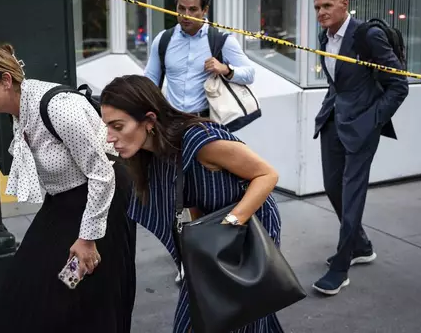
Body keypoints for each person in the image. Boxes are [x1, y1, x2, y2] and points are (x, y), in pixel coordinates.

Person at [0, 42, 136, 332]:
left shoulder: (59, 107)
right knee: (28, 284)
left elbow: (103, 174)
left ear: (5, 80)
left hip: (101, 201)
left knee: (80, 289)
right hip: (63, 203)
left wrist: (88, 239)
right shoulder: (21, 109)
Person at [100, 74, 284, 333]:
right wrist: (200, 241)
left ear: (149, 120)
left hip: (249, 226)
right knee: (208, 314)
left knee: (237, 316)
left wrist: (229, 225)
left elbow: (267, 175)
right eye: (106, 126)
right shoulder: (153, 156)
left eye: (117, 126)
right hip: (215, 233)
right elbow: (195, 196)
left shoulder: (200, 140)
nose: (109, 137)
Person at [311, 0, 409, 295]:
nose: (322, 12)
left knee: (352, 194)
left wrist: (372, 121)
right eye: (317, 8)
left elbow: (399, 85)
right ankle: (362, 246)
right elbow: (336, 81)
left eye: (328, 6)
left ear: (344, 4)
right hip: (333, 122)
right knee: (331, 186)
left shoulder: (367, 36)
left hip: (362, 127)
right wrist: (331, 110)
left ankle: (341, 267)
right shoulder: (323, 38)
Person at [144, 0, 255, 117]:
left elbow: (250, 74)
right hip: (171, 121)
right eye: (181, 8)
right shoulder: (163, 39)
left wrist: (225, 69)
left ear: (204, 10)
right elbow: (149, 82)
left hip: (206, 122)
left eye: (192, 10)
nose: (186, 15)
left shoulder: (222, 40)